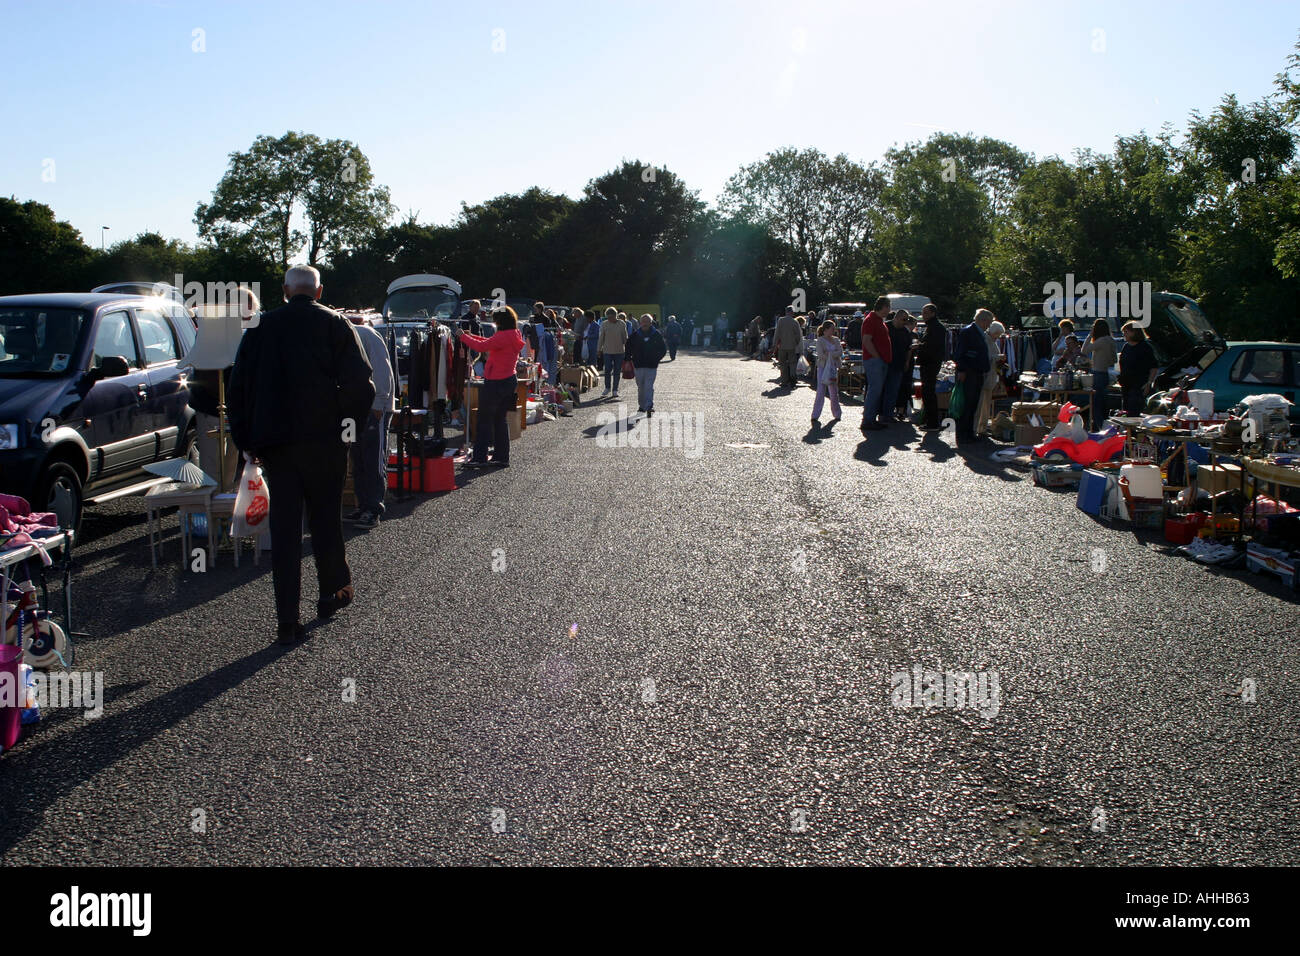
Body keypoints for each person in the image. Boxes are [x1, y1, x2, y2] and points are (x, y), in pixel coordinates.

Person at [227, 265, 375, 645]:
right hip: (324, 440)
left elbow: (238, 386)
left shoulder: (260, 328)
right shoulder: (336, 325)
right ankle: (330, 593)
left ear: (284, 291)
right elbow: (361, 384)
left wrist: (246, 439)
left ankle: (287, 620)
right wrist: (347, 427)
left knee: (286, 530)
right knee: (327, 520)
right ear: (319, 291)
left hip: (276, 443)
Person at [190, 285, 259, 492]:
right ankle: (211, 514)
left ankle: (226, 509)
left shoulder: (245, 331)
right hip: (213, 406)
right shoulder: (214, 330)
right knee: (213, 468)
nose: (248, 317)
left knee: (231, 464)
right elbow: (209, 374)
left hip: (232, 407)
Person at [344, 312, 395, 529]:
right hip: (353, 408)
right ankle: (363, 505)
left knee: (373, 458)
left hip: (374, 407)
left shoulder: (366, 335)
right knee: (357, 458)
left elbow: (382, 371)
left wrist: (379, 403)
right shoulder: (342, 337)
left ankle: (373, 509)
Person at [458, 307, 525, 469]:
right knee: (500, 420)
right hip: (509, 379)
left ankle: (479, 457)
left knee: (484, 420)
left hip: (495, 381)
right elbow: (487, 342)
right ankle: (501, 457)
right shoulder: (514, 334)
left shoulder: (502, 336)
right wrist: (470, 336)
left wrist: (463, 337)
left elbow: (482, 347)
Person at [953, 309, 994, 444]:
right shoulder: (968, 332)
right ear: (982, 320)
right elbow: (960, 352)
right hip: (969, 372)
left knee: (973, 403)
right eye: (988, 322)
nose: (989, 325)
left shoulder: (978, 332)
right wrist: (962, 370)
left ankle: (968, 432)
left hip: (976, 372)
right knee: (967, 403)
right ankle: (963, 434)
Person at [859, 297, 893, 432]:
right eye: (888, 307)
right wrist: (878, 357)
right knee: (874, 390)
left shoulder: (878, 320)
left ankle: (871, 419)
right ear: (883, 306)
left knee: (876, 391)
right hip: (874, 361)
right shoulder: (871, 320)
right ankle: (868, 420)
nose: (889, 310)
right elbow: (866, 341)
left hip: (878, 360)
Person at [912, 304, 947, 429]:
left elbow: (932, 346)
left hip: (930, 363)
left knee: (929, 393)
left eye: (926, 313)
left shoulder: (936, 327)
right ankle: (929, 420)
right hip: (929, 362)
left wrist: (919, 346)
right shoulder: (932, 326)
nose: (924, 315)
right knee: (927, 393)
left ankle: (932, 423)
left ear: (933, 313)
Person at [626, 313, 668, 416]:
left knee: (649, 386)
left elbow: (663, 349)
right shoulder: (635, 335)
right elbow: (628, 347)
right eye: (643, 321)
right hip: (638, 365)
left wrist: (656, 359)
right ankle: (642, 406)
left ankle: (649, 406)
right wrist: (627, 359)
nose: (644, 323)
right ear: (640, 323)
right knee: (640, 387)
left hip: (651, 366)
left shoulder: (656, 334)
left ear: (651, 323)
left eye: (647, 321)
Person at [1118, 320, 1158, 415]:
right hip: (1125, 386)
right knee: (1125, 413)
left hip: (1138, 386)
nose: (1124, 334)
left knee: (1134, 412)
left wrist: (1149, 383)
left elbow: (1154, 367)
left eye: (1126, 332)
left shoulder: (1145, 347)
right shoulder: (1126, 347)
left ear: (1134, 332)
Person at [1083, 318, 1117, 428]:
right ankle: (1106, 426)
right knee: (1104, 404)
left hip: (1097, 373)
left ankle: (1099, 427)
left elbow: (1084, 350)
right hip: (1105, 373)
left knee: (1096, 404)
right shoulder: (1111, 340)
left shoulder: (1101, 341)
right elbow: (1114, 360)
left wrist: (1089, 336)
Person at [977, 320, 1006, 437]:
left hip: (991, 376)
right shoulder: (986, 340)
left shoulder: (992, 341)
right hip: (986, 376)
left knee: (986, 403)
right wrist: (998, 357)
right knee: (982, 403)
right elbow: (985, 357)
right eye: (997, 334)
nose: (998, 337)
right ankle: (980, 427)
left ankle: (982, 427)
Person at [811, 319, 843, 428]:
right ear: (825, 330)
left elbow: (840, 352)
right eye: (831, 329)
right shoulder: (820, 340)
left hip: (833, 368)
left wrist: (829, 354)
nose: (833, 331)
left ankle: (837, 414)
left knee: (834, 392)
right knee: (821, 390)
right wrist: (832, 355)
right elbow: (820, 354)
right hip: (823, 368)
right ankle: (815, 414)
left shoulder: (836, 340)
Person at [885, 310, 913, 423]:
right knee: (882, 390)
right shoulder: (886, 327)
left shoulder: (905, 332)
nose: (905, 322)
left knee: (893, 390)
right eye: (904, 319)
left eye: (907, 320)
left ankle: (888, 414)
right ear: (896, 317)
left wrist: (907, 362)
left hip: (898, 365)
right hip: (885, 363)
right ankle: (882, 413)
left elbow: (909, 348)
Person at [597, 307, 628, 396]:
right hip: (607, 351)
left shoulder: (622, 323)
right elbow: (601, 337)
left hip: (619, 351)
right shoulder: (604, 324)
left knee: (617, 371)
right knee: (607, 370)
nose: (610, 319)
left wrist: (628, 350)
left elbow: (625, 337)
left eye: (611, 317)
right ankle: (607, 388)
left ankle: (615, 390)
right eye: (608, 317)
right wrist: (599, 349)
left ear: (616, 316)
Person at [772, 306, 803, 388]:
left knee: (783, 364)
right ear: (792, 312)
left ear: (786, 312)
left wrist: (775, 344)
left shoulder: (780, 320)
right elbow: (798, 335)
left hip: (782, 346)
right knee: (793, 363)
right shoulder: (795, 322)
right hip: (792, 346)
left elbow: (777, 333)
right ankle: (793, 380)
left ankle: (784, 381)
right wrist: (795, 343)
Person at [535, 313, 558, 387]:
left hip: (546, 357)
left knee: (547, 369)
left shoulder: (546, 336)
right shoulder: (548, 335)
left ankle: (547, 385)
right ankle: (547, 384)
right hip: (546, 357)